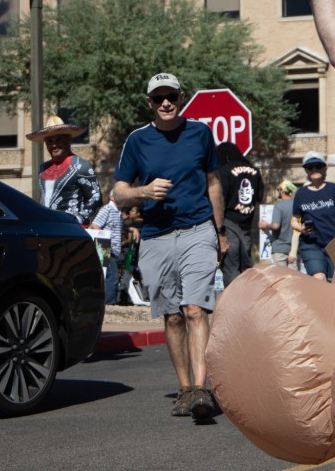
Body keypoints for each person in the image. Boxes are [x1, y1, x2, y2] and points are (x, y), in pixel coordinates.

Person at [114, 72, 227, 420]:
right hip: (156, 236)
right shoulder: (137, 141)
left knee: (195, 309)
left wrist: (220, 231)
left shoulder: (200, 133)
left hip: (198, 230)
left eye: (172, 97)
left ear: (181, 98)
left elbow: (213, 183)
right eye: (158, 98)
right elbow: (119, 193)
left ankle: (201, 389)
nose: (166, 103)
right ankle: (185, 388)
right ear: (149, 102)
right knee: (173, 316)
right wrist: (144, 192)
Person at [25, 115, 101, 225]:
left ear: (68, 139)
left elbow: (95, 197)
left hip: (71, 229)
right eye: (49, 141)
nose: (54, 145)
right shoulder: (43, 169)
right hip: (47, 227)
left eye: (58, 140)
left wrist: (78, 219)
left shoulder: (81, 166)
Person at [291, 151, 335, 281]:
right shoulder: (301, 193)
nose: (314, 169)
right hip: (311, 244)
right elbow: (293, 220)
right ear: (306, 170)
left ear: (325, 168)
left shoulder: (333, 189)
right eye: (310, 167)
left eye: (318, 166)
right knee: (319, 278)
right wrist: (301, 229)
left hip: (334, 243)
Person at [216, 141, 263, 286]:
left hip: (229, 222)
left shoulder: (223, 171)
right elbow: (260, 196)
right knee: (246, 266)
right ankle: (247, 296)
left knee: (231, 266)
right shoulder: (254, 170)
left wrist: (219, 228)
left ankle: (233, 298)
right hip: (247, 223)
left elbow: (220, 199)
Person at [90, 190, 124, 305]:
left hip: (112, 249)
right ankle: (109, 302)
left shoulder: (118, 211)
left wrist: (131, 229)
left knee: (110, 275)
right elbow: (95, 225)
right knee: (112, 275)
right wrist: (106, 240)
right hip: (105, 247)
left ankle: (107, 301)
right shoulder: (107, 209)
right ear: (112, 197)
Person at [260, 179, 298, 268]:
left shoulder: (279, 206)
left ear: (282, 191)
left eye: (278, 189)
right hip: (294, 249)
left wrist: (265, 225)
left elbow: (275, 226)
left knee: (280, 275)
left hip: (279, 248)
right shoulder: (297, 205)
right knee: (293, 276)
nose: (278, 192)